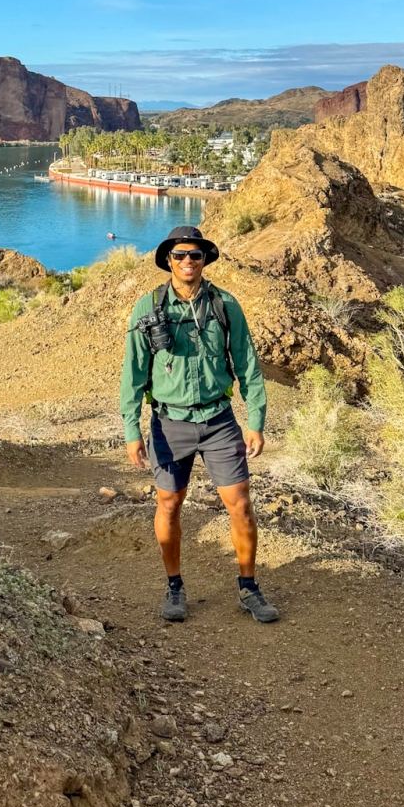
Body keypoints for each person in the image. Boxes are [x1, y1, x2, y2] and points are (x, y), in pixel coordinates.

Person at [119, 224, 279, 624]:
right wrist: (131, 430)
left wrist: (255, 419)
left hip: (218, 420)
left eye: (195, 255)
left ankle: (249, 587)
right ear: (168, 261)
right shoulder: (148, 308)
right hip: (168, 422)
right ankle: (174, 587)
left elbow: (247, 364)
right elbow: (133, 373)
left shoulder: (226, 305)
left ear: (205, 259)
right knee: (169, 503)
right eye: (180, 255)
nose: (188, 261)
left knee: (240, 503)